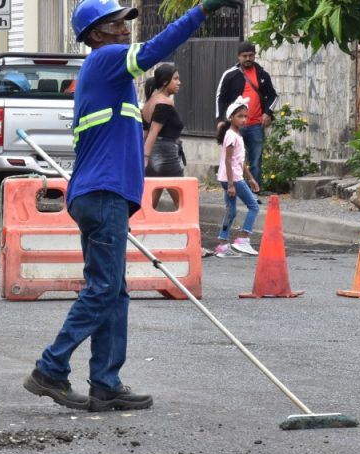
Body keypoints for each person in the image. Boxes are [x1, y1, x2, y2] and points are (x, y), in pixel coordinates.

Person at [22, 0, 240, 413]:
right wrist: (201, 12)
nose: (125, 29)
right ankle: (50, 368)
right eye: (116, 23)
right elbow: (156, 49)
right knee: (104, 289)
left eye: (125, 22)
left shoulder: (111, 79)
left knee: (113, 291)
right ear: (96, 35)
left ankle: (106, 382)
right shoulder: (106, 60)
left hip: (104, 196)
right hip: (102, 195)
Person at [216, 42, 277, 189]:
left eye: (251, 55)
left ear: (255, 55)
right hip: (235, 127)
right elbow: (220, 97)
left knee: (256, 161)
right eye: (244, 56)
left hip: (256, 125)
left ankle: (254, 191)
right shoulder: (230, 75)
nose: (248, 58)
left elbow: (273, 96)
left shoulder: (262, 74)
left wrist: (268, 113)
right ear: (239, 57)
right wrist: (220, 120)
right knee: (234, 159)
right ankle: (235, 188)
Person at [214, 98, 260, 257]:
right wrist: (232, 184)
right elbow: (228, 160)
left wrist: (251, 178)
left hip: (229, 178)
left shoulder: (234, 135)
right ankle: (243, 239)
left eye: (245, 116)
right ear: (230, 117)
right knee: (254, 206)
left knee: (231, 211)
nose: (243, 119)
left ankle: (222, 244)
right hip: (232, 179)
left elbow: (239, 161)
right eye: (240, 116)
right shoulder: (231, 136)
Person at [141, 63, 185, 210]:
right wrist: (145, 157)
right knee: (184, 201)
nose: (179, 82)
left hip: (154, 156)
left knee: (150, 202)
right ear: (165, 81)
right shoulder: (164, 102)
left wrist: (144, 157)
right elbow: (153, 132)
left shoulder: (150, 101)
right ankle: (189, 230)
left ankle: (140, 230)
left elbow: (145, 133)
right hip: (165, 155)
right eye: (176, 79)